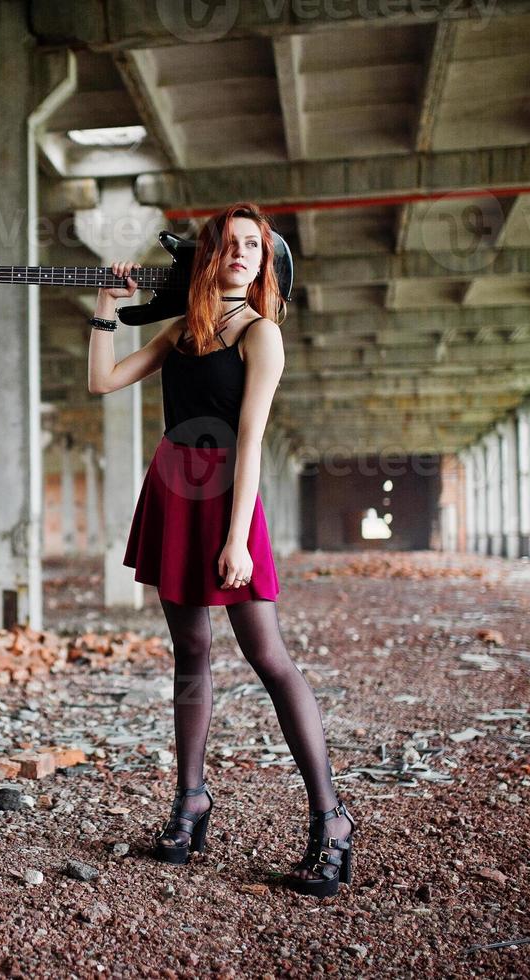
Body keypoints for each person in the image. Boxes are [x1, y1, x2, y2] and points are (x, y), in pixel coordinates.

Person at [85, 202, 356, 897]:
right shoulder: (182, 332)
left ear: (263, 262)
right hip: (174, 489)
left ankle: (330, 821)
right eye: (228, 244)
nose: (240, 253)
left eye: (251, 246)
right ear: (209, 256)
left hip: (225, 497)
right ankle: (189, 801)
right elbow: (103, 381)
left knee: (266, 655)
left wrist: (237, 537)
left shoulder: (260, 335)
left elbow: (252, 440)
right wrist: (103, 309)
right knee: (189, 652)